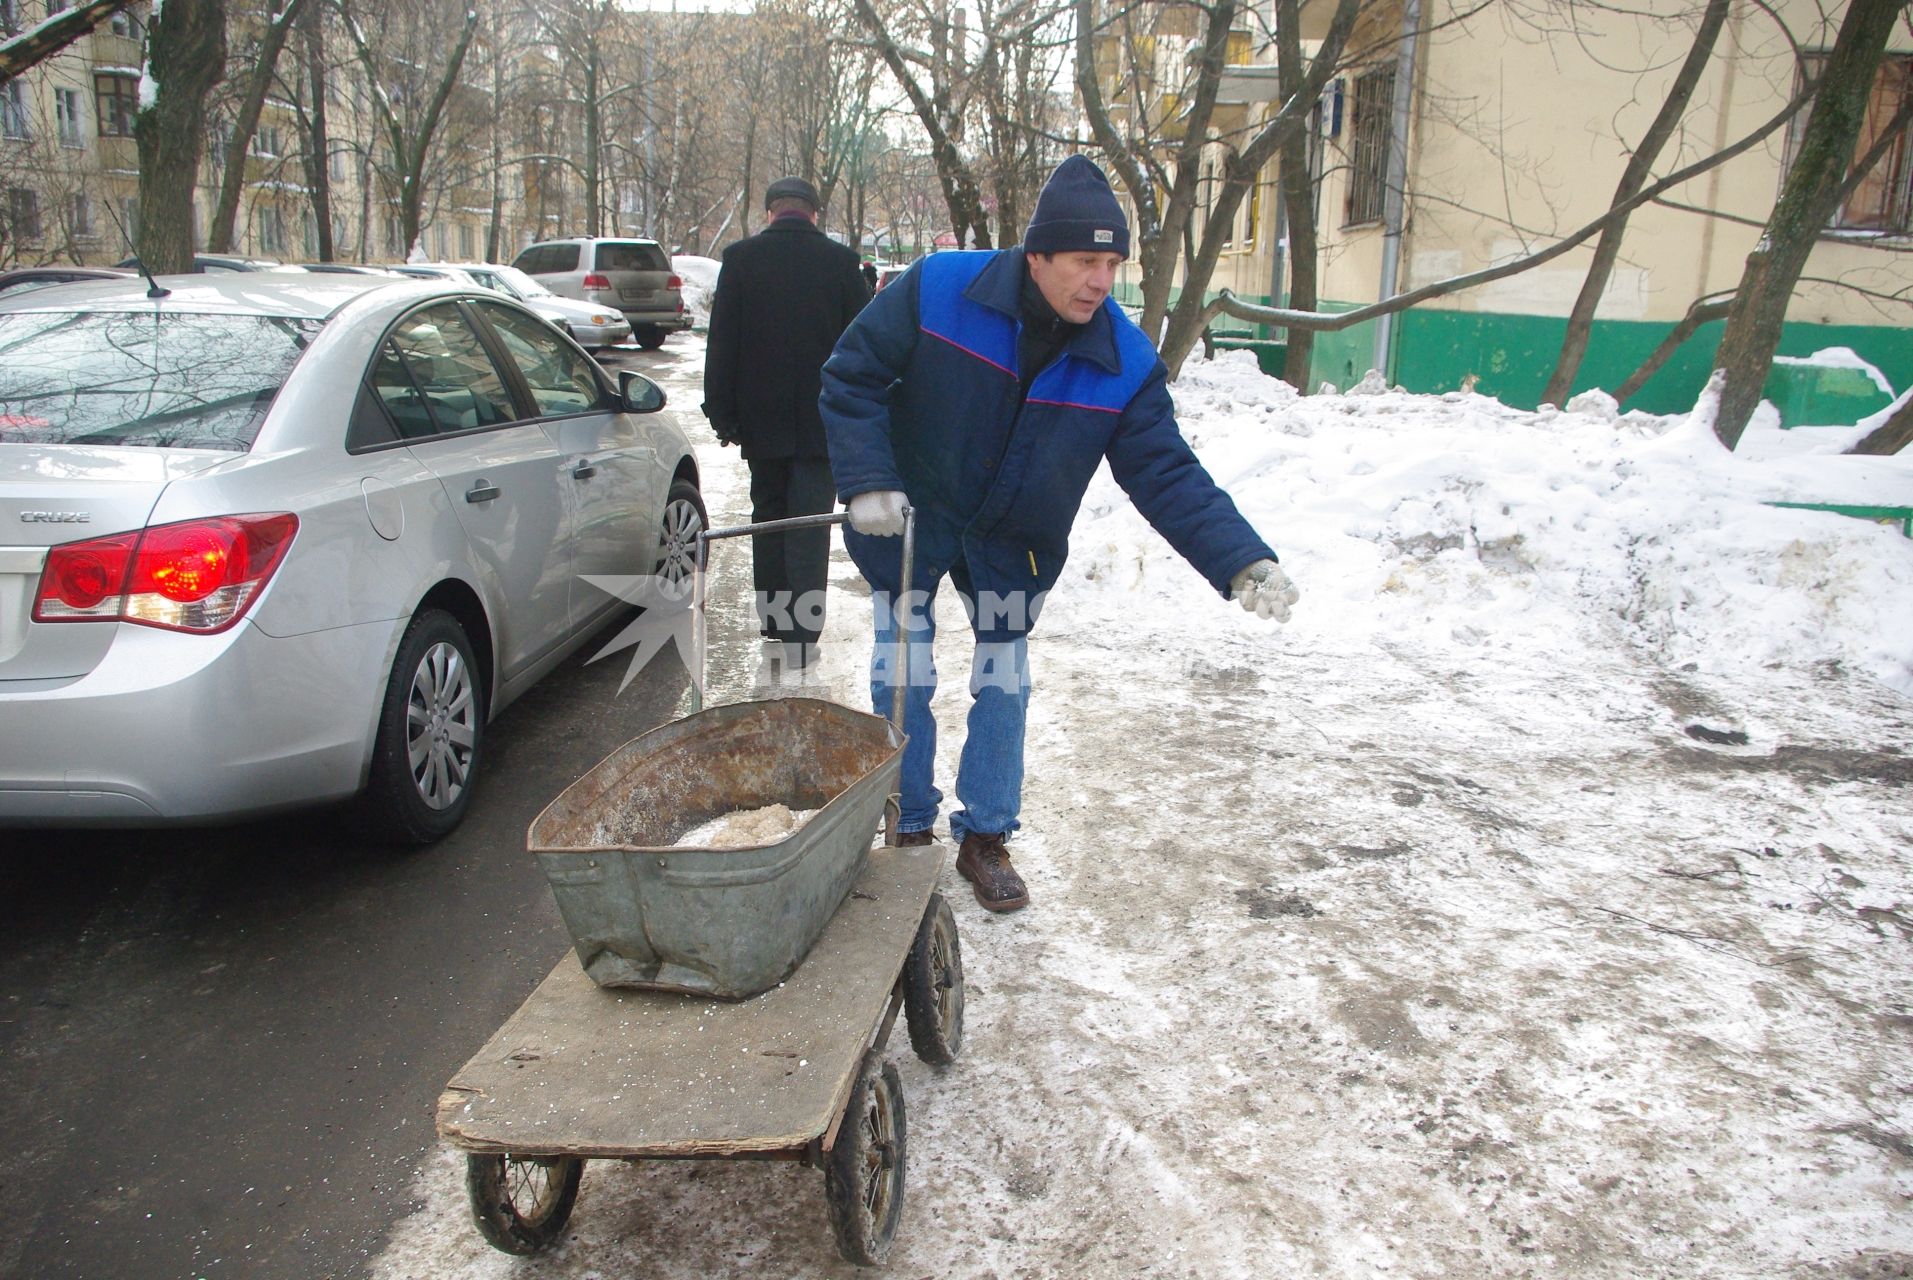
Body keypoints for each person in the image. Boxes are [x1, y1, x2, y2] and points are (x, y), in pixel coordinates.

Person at [820, 154, 1298, 913]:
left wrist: (1242, 559)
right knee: (902, 670)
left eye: (1113, 263)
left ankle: (985, 836)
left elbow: (1166, 473)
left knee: (1003, 682)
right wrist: (868, 478)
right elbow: (851, 375)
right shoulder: (938, 288)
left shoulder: (1122, 359)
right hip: (910, 517)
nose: (1101, 281)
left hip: (1014, 537)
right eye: (1084, 261)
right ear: (1035, 255)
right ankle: (905, 826)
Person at [703, 176, 871, 667]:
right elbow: (862, 349)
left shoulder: (740, 260)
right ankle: (804, 632)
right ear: (814, 214)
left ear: (771, 212)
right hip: (822, 424)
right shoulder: (842, 264)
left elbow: (723, 343)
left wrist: (722, 413)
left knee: (769, 517)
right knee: (811, 524)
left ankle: (774, 620)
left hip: (760, 422)